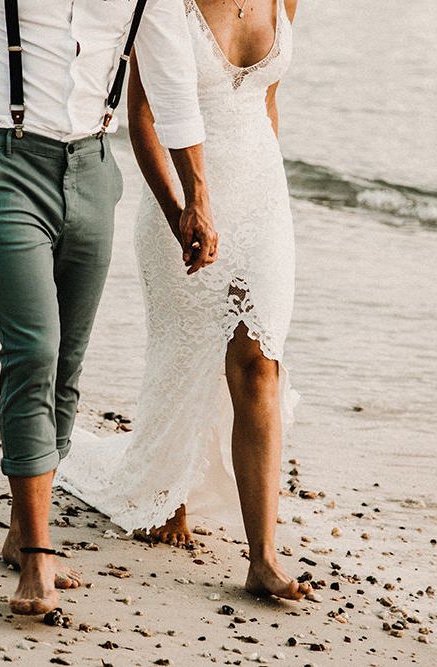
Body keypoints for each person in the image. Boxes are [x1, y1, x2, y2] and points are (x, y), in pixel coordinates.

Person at [0, 0, 218, 615]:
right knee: (34, 347)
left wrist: (196, 195)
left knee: (66, 363)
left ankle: (20, 526)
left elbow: (172, 83)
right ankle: (37, 550)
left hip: (92, 168)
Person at [57, 0, 313, 600]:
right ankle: (165, 488)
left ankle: (263, 556)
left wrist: (271, 197)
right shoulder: (164, 3)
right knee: (182, 354)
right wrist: (179, 211)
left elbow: (268, 101)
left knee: (260, 360)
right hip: (180, 199)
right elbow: (141, 116)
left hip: (262, 194)